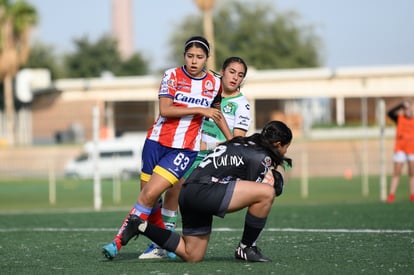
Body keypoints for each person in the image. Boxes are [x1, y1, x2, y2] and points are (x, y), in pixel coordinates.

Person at [102, 35, 232, 260]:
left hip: (183, 150)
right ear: (184, 56)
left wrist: (232, 141)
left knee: (151, 193)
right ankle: (164, 244)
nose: (194, 61)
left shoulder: (215, 83)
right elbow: (165, 110)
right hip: (155, 143)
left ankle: (117, 242)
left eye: (199, 57)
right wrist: (200, 110)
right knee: (148, 198)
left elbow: (216, 112)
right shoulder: (171, 76)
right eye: (190, 56)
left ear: (207, 58)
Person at [119, 120, 293, 262]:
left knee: (192, 254)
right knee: (266, 193)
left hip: (189, 191)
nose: (285, 152)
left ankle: (140, 225)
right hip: (205, 190)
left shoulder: (245, 142)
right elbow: (262, 192)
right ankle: (247, 248)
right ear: (277, 144)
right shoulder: (261, 157)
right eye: (286, 147)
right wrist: (276, 183)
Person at [139, 56, 252, 259]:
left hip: (211, 160)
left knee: (179, 188)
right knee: (172, 187)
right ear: (222, 71)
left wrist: (207, 145)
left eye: (240, 75)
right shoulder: (206, 89)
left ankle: (169, 243)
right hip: (186, 150)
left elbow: (236, 142)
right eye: (232, 72)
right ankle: (163, 243)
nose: (235, 77)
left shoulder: (241, 105)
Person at [386, 100, 414, 203]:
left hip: (412, 150)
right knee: (397, 172)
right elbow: (389, 113)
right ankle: (392, 195)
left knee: (412, 173)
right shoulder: (399, 119)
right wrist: (400, 105)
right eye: (405, 109)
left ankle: (412, 194)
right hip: (400, 149)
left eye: (408, 108)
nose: (406, 110)